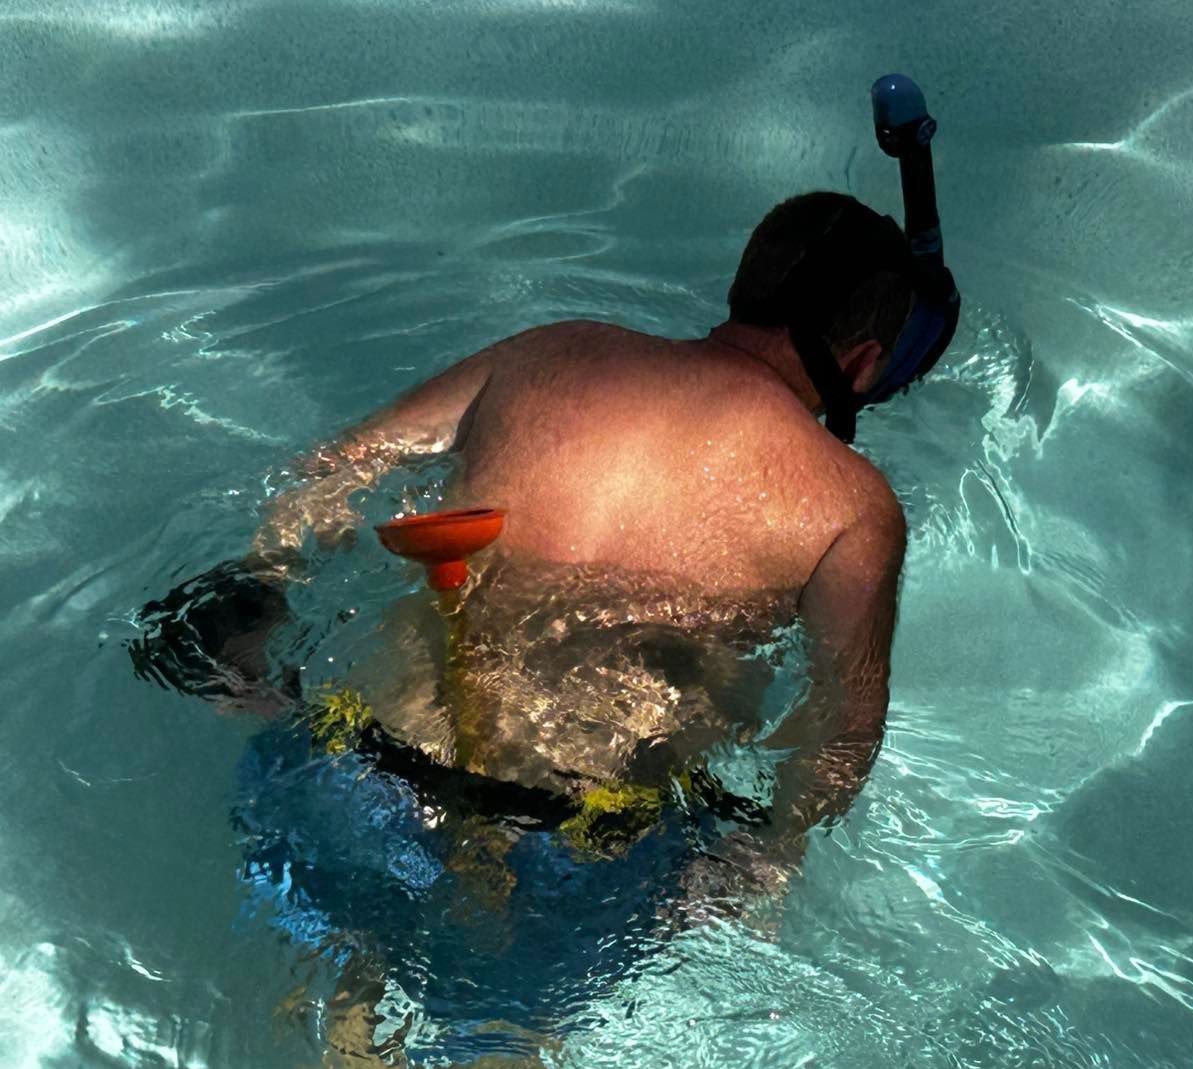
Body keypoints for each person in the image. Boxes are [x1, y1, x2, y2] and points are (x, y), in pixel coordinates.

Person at [245, 191, 951, 886]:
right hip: (568, 846)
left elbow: (326, 473)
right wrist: (774, 856)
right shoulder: (852, 506)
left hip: (348, 756)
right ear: (861, 364)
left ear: (744, 284)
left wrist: (259, 587)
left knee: (325, 974)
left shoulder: (552, 351)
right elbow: (845, 730)